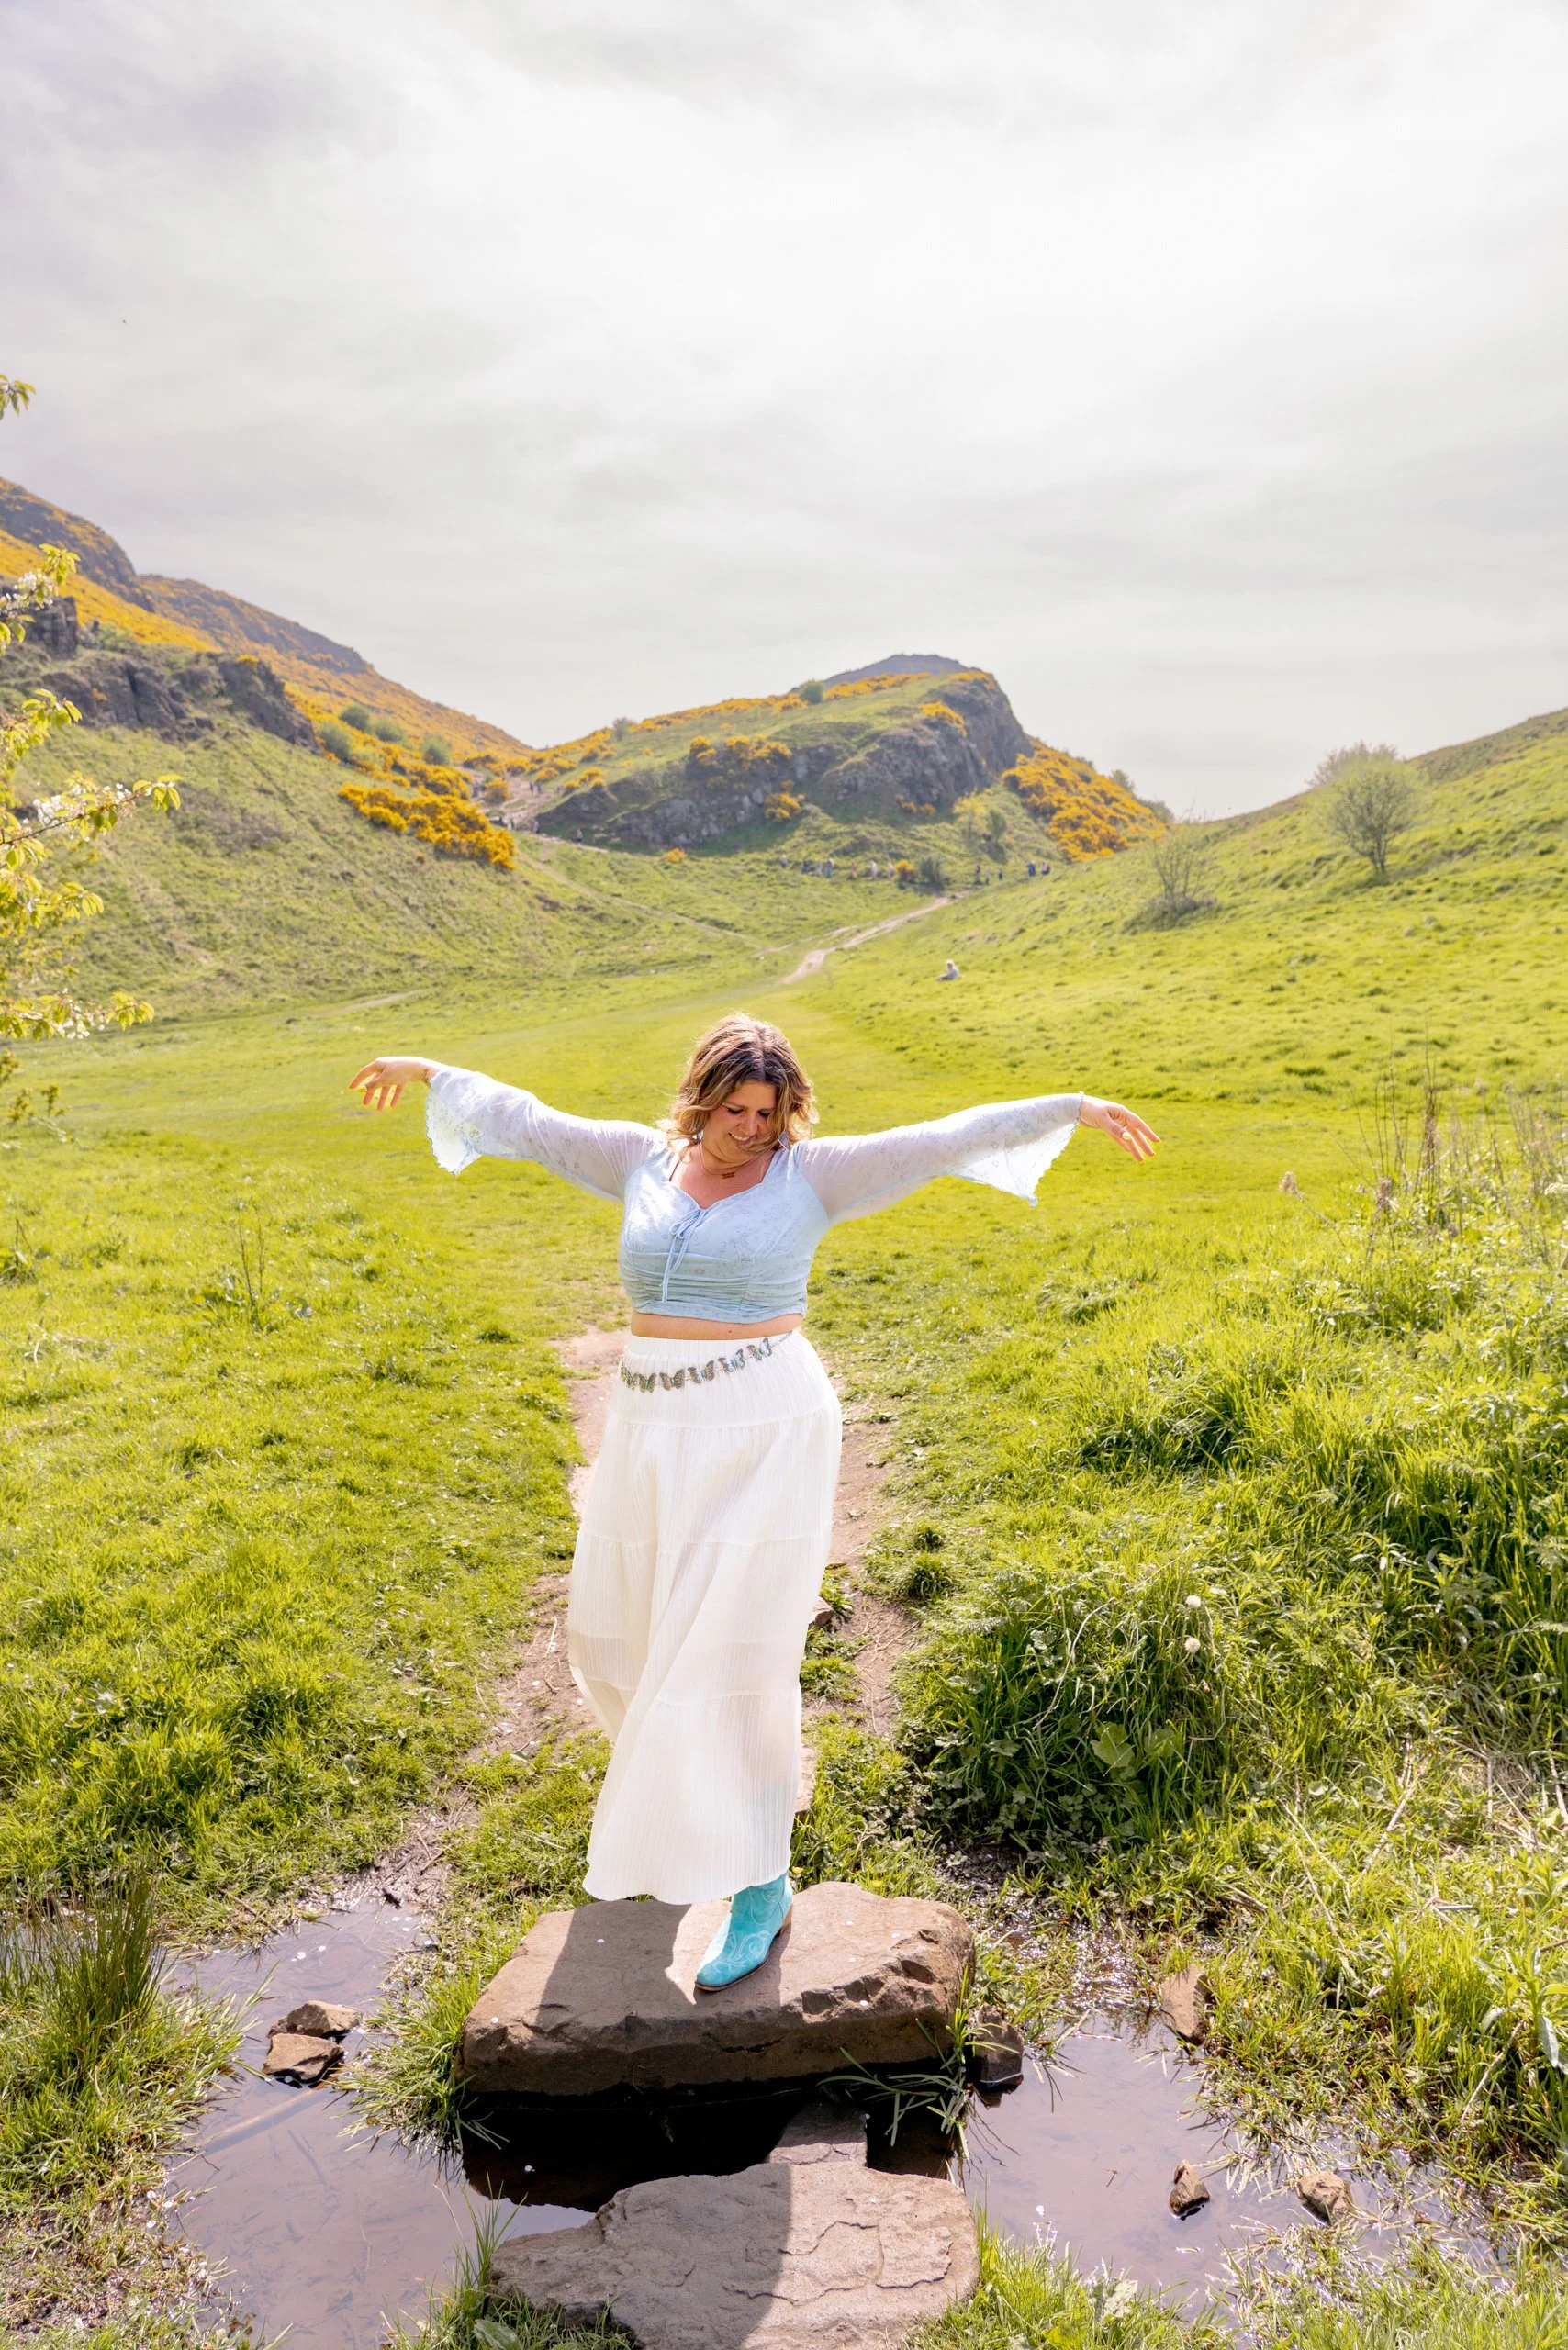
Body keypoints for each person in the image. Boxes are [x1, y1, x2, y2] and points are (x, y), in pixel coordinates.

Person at [348, 1017, 1158, 1986]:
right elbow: (529, 1121)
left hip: (764, 1426)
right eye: (733, 1109)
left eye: (767, 1113)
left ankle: (758, 1879)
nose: (748, 1129)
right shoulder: (641, 1161)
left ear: (789, 1112)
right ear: (701, 1097)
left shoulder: (811, 1175)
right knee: (616, 1636)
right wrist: (431, 1069)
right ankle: (692, 1811)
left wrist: (1070, 1107)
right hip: (649, 1429)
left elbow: (942, 1137)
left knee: (733, 1646)